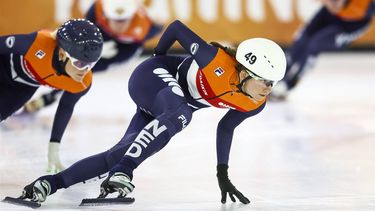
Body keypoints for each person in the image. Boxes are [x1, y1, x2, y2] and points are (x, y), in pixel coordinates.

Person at [19, 20, 286, 205]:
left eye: (273, 83)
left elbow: (226, 128)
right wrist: (157, 57)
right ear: (243, 72)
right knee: (182, 113)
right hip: (152, 78)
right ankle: (124, 172)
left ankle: (47, 185)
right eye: (264, 81)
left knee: (118, 154)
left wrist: (223, 174)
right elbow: (177, 28)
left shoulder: (254, 103)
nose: (268, 89)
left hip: (167, 106)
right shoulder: (215, 61)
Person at [22, 0, 163, 173]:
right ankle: (49, 96)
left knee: (84, 73)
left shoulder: (143, 26)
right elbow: (83, 32)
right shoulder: (96, 11)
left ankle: (49, 97)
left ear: (132, 17)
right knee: (75, 66)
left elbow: (157, 30)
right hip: (98, 40)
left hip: (123, 49)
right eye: (115, 20)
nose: (119, 25)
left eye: (123, 21)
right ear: (105, 15)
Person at [0, 19, 103, 123]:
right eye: (79, 63)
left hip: (22, 88)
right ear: (62, 55)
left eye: (91, 64)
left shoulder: (82, 81)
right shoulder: (39, 42)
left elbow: (66, 106)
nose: (85, 70)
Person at [270, 0, 374, 100]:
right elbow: (333, 8)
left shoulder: (364, 6)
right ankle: (275, 76)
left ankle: (288, 84)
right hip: (330, 13)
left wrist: (331, 3)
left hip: (350, 25)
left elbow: (335, 8)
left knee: (314, 45)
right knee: (301, 42)